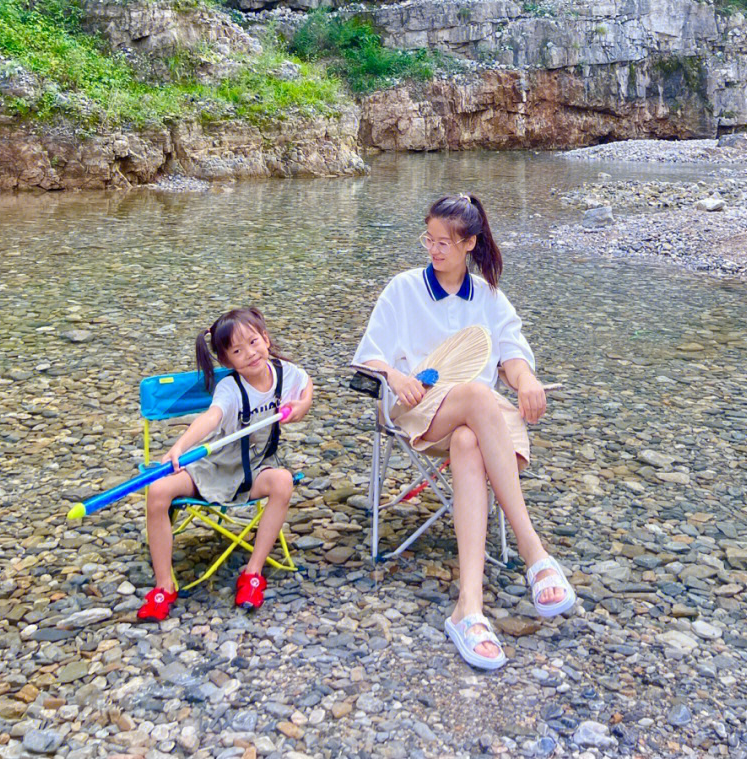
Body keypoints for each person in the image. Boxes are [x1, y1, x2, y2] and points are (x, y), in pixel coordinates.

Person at [352, 193, 574, 671]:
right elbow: (369, 355)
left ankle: (468, 608)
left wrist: (528, 380)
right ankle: (534, 550)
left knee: (470, 439)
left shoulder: (489, 297)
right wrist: (394, 375)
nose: (433, 250)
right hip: (417, 409)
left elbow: (512, 355)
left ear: (470, 243)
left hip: (476, 425)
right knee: (477, 395)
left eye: (444, 243)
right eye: (428, 240)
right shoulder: (403, 289)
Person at [138, 306, 313, 621]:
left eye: (253, 342)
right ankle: (164, 585)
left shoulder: (286, 374)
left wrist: (303, 404)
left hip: (257, 467)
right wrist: (179, 447)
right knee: (158, 491)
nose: (249, 353)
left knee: (283, 481)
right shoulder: (230, 389)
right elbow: (211, 418)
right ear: (227, 361)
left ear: (266, 339)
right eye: (237, 350)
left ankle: (253, 572)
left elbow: (306, 384)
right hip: (214, 465)